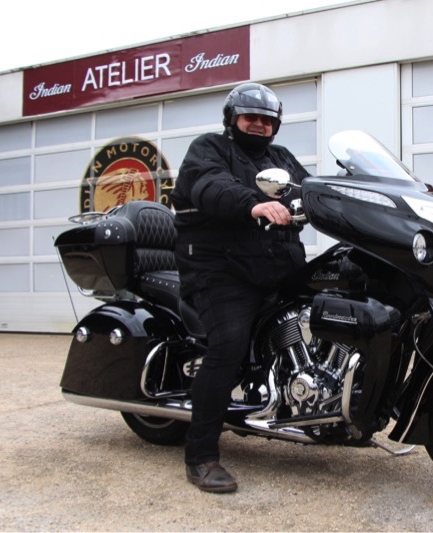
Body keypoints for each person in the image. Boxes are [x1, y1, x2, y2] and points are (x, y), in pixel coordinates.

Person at [171, 83, 309, 493]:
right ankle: (200, 456)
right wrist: (253, 203)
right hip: (220, 270)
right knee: (229, 344)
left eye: (267, 120)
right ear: (233, 119)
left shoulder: (280, 159)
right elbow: (209, 184)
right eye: (251, 118)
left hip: (274, 267)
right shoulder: (208, 148)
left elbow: (311, 189)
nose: (259, 125)